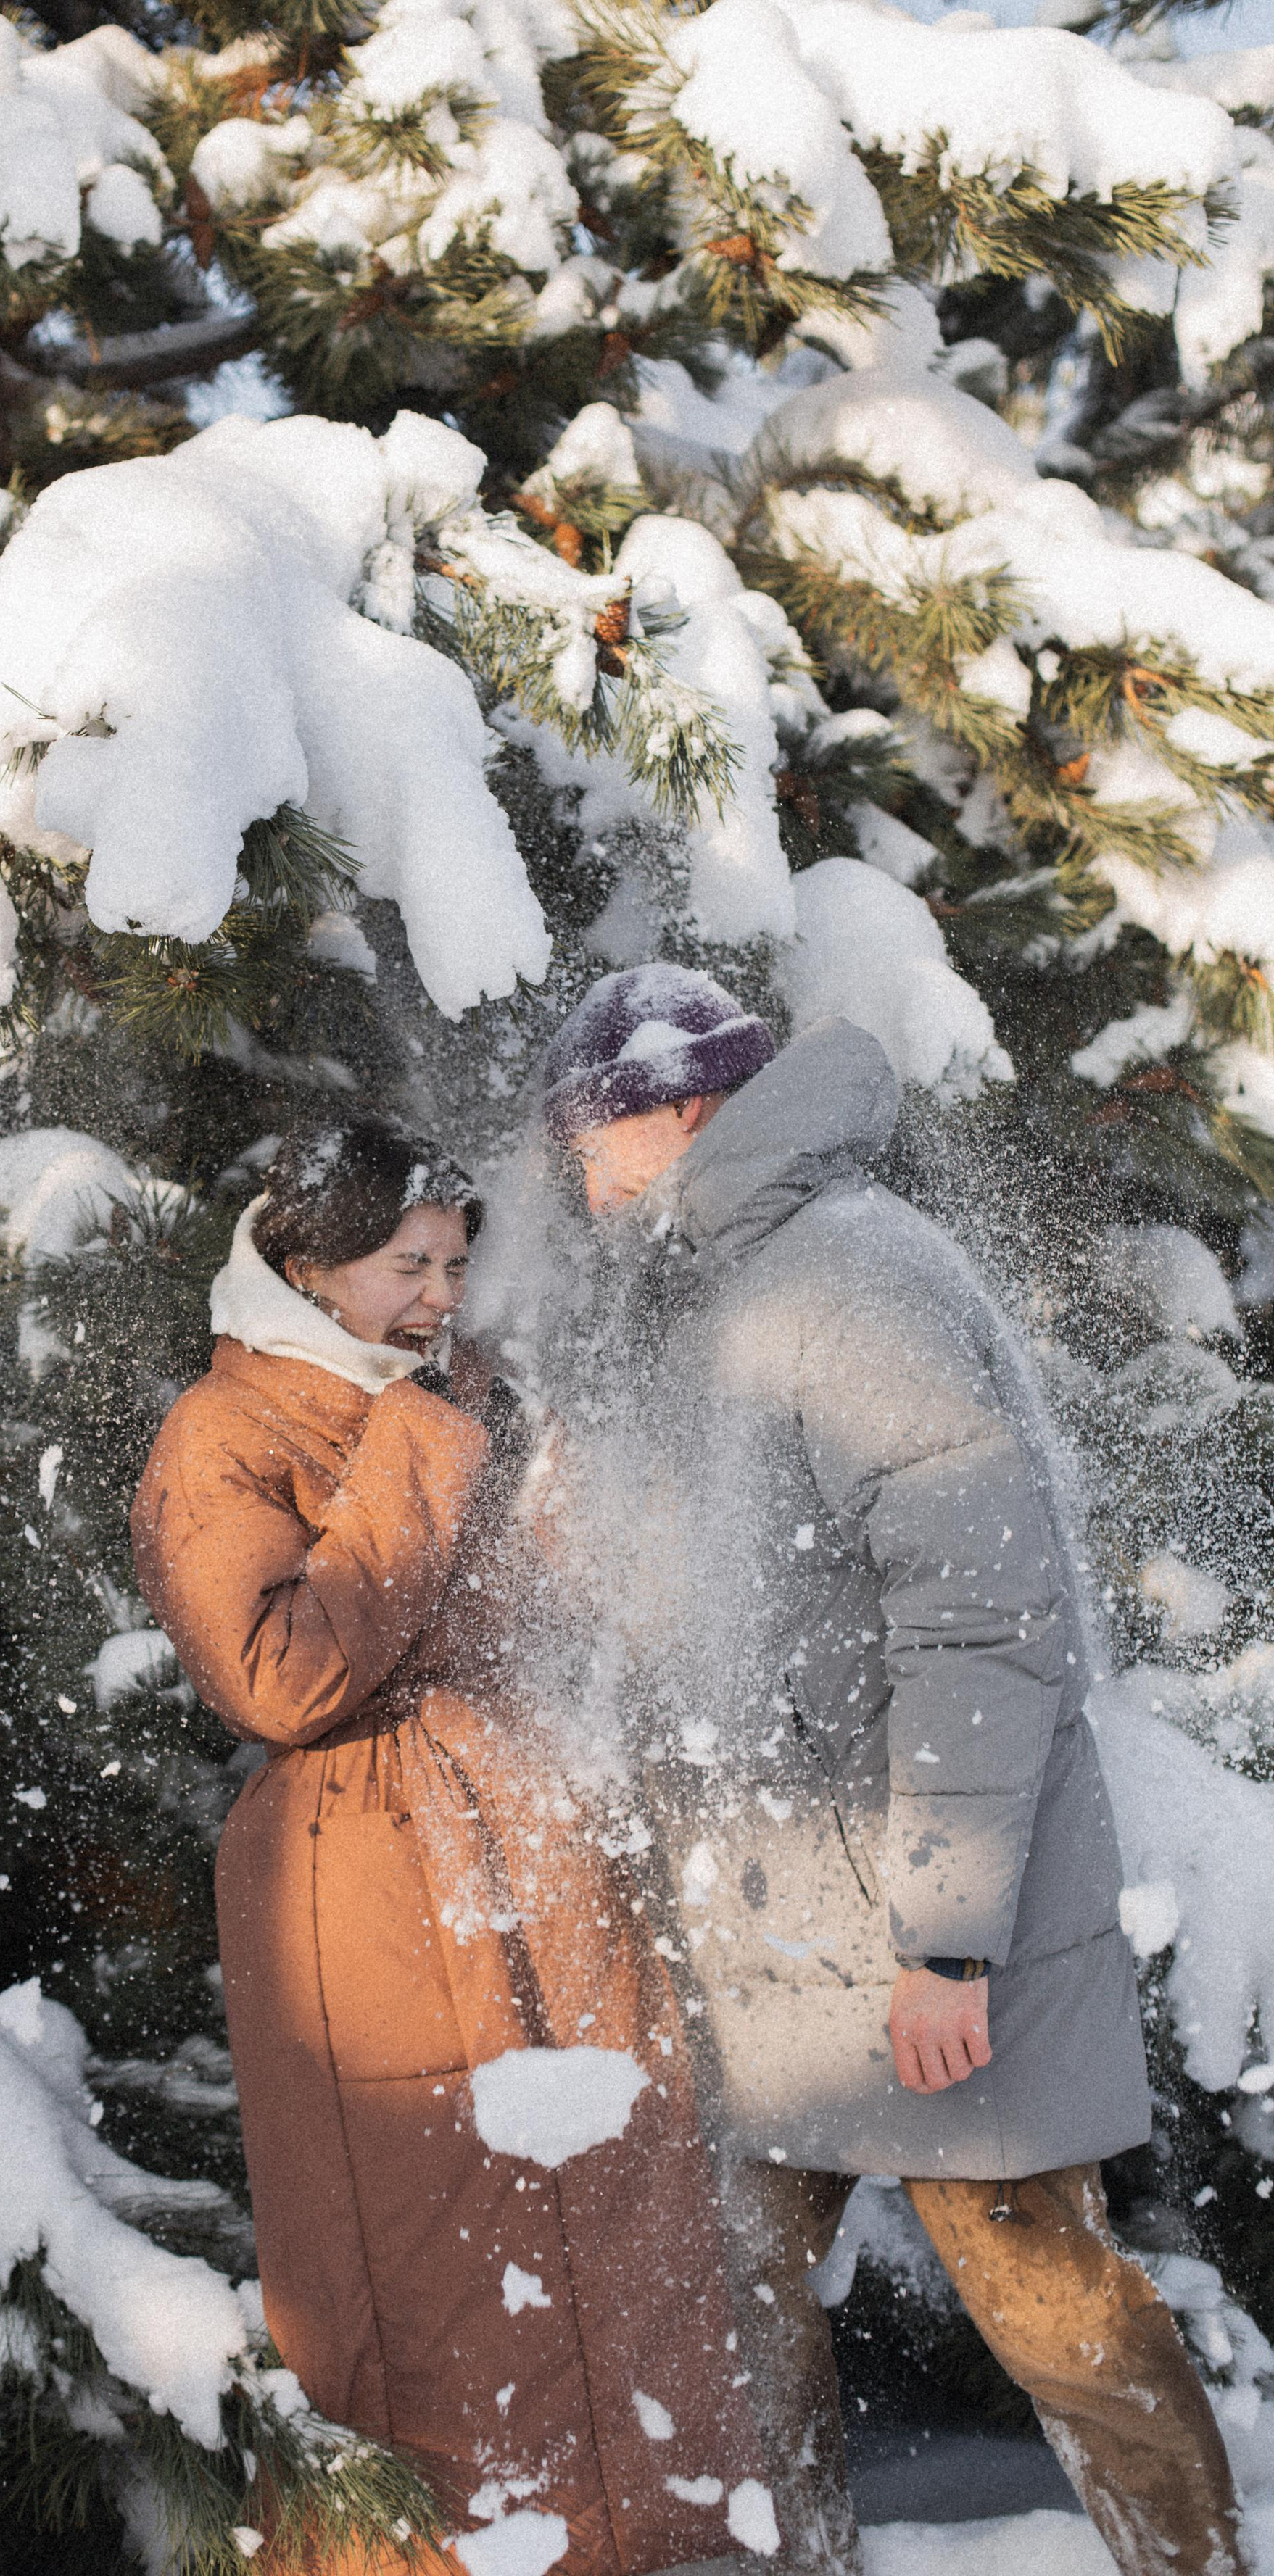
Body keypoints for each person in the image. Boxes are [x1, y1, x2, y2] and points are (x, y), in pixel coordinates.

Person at [540, 963, 1248, 2576]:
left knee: (1043, 2293)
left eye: (591, 1142)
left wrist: (947, 1938)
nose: (578, 1183)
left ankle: (1194, 2561)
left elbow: (985, 1619)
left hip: (913, 1928)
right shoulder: (716, 1286)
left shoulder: (846, 1281)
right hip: (780, 1929)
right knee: (730, 2297)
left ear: (677, 1115)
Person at [131, 1117, 769, 2576]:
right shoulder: (220, 1435)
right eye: (404, 1266)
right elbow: (277, 1677)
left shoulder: (467, 1393)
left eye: (454, 1266)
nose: (437, 1296)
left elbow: (568, 1603)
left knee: (613, 2214)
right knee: (435, 2262)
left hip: (541, 1848)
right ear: (306, 1266)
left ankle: (644, 2546)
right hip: (363, 1884)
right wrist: (423, 1446)